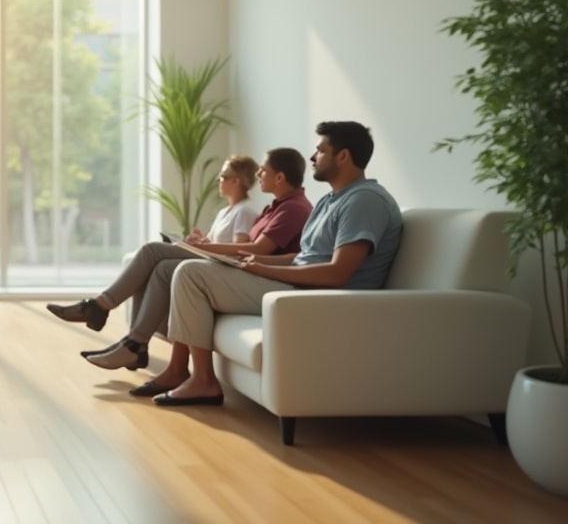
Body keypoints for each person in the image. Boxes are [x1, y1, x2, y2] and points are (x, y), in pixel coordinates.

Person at [153, 121, 403, 407]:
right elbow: (304, 256)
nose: (312, 157)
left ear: (343, 156)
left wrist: (263, 269)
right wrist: (253, 259)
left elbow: (337, 274)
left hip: (315, 296)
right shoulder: (330, 201)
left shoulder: (365, 201)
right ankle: (187, 374)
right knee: (192, 270)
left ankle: (202, 381)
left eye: (321, 150)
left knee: (190, 274)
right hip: (295, 283)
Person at [53, 150, 312, 375]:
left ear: (280, 177)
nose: (259, 175)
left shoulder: (292, 208)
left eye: (263, 171)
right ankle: (134, 343)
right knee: (162, 266)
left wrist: (205, 247)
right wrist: (202, 243)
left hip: (253, 274)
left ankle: (101, 308)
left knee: (153, 251)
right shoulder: (273, 208)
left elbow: (256, 249)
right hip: (241, 267)